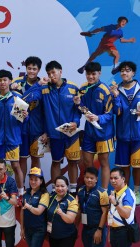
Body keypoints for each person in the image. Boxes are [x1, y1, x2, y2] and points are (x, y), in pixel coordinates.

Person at [26, 61, 81, 195]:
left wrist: (76, 122)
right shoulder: (44, 89)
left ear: (60, 71)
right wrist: (38, 85)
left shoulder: (73, 87)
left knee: (73, 162)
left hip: (71, 133)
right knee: (56, 162)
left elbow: (78, 108)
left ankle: (73, 190)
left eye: (54, 72)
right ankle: (58, 190)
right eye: (49, 73)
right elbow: (26, 98)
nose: (51, 75)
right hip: (54, 134)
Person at [110, 61, 140, 205]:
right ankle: (125, 192)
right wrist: (116, 97)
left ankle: (136, 192)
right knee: (124, 167)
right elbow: (116, 112)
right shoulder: (116, 89)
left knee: (137, 166)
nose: (124, 73)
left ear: (133, 73)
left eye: (128, 70)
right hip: (122, 134)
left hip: (138, 134)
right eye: (122, 71)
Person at [74, 62, 114, 189]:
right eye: (88, 74)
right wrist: (78, 103)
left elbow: (110, 113)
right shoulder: (83, 88)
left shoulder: (105, 90)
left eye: (93, 74)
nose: (90, 77)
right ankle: (91, 190)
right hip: (89, 131)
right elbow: (82, 109)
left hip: (104, 132)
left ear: (99, 74)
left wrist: (99, 118)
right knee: (87, 162)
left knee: (103, 162)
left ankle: (104, 191)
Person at [0, 69, 27, 199]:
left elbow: (23, 119)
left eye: (5, 80)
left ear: (10, 81)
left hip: (12, 138)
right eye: (0, 80)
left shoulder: (17, 98)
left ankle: (21, 193)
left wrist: (25, 116)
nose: (2, 83)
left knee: (15, 165)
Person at [12, 56, 46, 177]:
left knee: (36, 159)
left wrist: (46, 131)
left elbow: (47, 109)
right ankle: (22, 189)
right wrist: (13, 88)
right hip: (21, 129)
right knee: (22, 158)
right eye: (29, 68)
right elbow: (19, 102)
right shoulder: (17, 83)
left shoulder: (44, 85)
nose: (31, 71)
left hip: (38, 129)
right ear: (26, 68)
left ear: (39, 70)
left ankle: (35, 188)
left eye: (34, 69)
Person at [76, 167, 109, 247]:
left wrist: (99, 230)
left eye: (92, 178)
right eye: (87, 177)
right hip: (85, 229)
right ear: (83, 177)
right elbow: (79, 209)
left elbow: (105, 212)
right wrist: (76, 226)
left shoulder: (102, 193)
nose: (89, 180)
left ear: (96, 179)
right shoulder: (80, 190)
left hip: (97, 229)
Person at [20, 167, 49, 247]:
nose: (33, 182)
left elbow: (39, 211)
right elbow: (22, 211)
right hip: (28, 229)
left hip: (39, 229)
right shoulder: (26, 192)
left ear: (41, 181)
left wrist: (28, 206)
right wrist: (22, 228)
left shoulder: (44, 194)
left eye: (36, 180)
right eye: (31, 179)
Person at [47, 176, 78, 247]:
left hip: (67, 236)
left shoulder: (72, 200)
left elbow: (70, 220)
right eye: (57, 186)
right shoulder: (51, 197)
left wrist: (61, 213)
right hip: (53, 236)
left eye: (62, 186)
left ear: (67, 187)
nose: (60, 188)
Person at [108, 167, 136, 247]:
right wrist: (110, 230)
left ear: (123, 179)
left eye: (116, 178)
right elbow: (112, 213)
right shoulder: (114, 192)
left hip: (123, 232)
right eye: (111, 178)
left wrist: (115, 203)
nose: (113, 181)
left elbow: (126, 214)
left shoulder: (127, 194)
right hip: (114, 231)